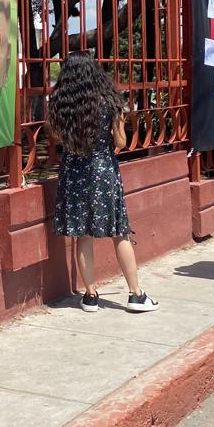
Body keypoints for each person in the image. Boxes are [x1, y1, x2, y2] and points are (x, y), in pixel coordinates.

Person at [48, 50, 159, 314]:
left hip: (73, 172)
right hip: (102, 170)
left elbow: (56, 140)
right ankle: (136, 294)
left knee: (82, 235)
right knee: (119, 232)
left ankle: (90, 296)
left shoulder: (59, 104)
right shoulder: (109, 102)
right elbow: (121, 142)